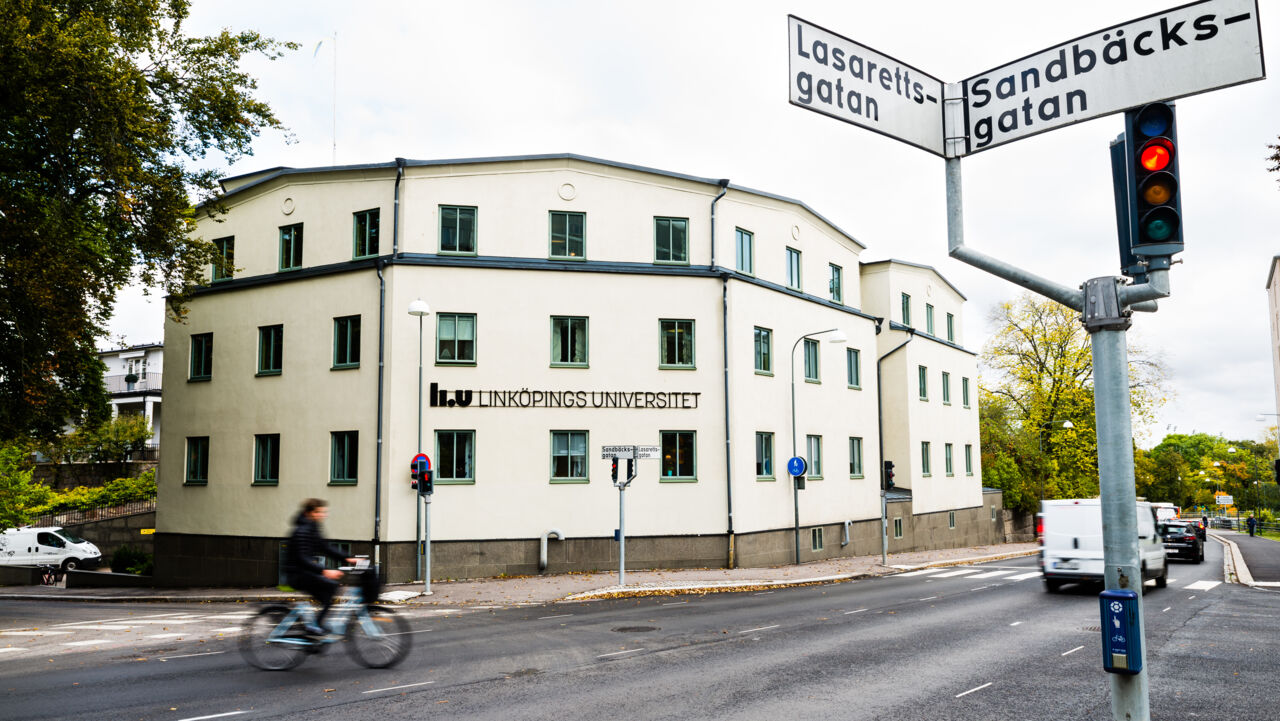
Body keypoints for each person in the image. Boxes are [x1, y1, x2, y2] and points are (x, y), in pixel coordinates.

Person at [285, 498, 355, 638]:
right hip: (297, 574)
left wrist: (348, 558)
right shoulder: (302, 530)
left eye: (324, 512)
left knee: (329, 594)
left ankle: (314, 625)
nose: (324, 515)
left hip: (305, 572)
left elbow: (325, 547)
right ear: (309, 513)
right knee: (331, 587)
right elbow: (302, 558)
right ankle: (314, 626)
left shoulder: (312, 527)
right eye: (320, 512)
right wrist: (324, 571)